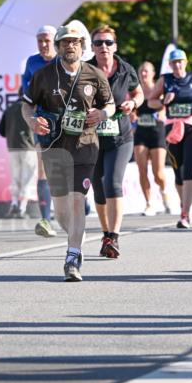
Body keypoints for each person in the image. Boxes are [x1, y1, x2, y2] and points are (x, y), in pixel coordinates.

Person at [22, 21, 114, 281]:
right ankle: (76, 236)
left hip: (85, 146)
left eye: (74, 42)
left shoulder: (94, 74)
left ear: (82, 46)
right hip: (54, 147)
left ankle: (72, 256)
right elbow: (27, 106)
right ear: (58, 46)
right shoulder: (43, 76)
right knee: (62, 211)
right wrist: (32, 121)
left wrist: (103, 112)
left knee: (77, 200)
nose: (70, 46)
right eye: (65, 42)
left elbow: (110, 103)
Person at [88, 25, 143, 258]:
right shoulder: (85, 70)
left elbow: (138, 93)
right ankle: (105, 233)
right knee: (99, 188)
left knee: (113, 182)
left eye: (108, 43)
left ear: (115, 46)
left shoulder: (126, 69)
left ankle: (114, 237)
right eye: (99, 43)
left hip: (121, 136)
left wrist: (134, 104)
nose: (104, 47)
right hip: (92, 138)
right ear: (92, 47)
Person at [150, 48, 192, 229]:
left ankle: (185, 213)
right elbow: (151, 101)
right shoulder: (165, 80)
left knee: (189, 169)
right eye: (174, 62)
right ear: (170, 64)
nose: (177, 65)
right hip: (172, 129)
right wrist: (164, 100)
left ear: (186, 62)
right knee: (178, 172)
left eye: (180, 61)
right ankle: (184, 206)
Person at [22, 26, 57, 237]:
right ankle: (46, 220)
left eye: (47, 40)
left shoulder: (63, 61)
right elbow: (27, 93)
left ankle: (82, 204)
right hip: (43, 120)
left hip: (66, 121)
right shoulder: (32, 62)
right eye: (40, 41)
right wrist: (33, 117)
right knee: (43, 168)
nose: (44, 45)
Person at [133, 61, 172, 215]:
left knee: (158, 173)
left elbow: (166, 110)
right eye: (141, 71)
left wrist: (161, 114)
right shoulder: (136, 91)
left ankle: (164, 192)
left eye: (146, 71)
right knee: (142, 169)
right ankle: (149, 203)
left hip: (157, 132)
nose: (143, 74)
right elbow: (131, 109)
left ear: (153, 73)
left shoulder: (159, 90)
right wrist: (132, 116)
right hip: (141, 133)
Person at [0, 93, 38, 218]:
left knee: (15, 177)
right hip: (28, 147)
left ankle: (14, 203)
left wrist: (11, 134)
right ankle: (22, 207)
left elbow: (0, 130)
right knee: (28, 178)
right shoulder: (31, 108)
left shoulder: (9, 109)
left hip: (12, 147)